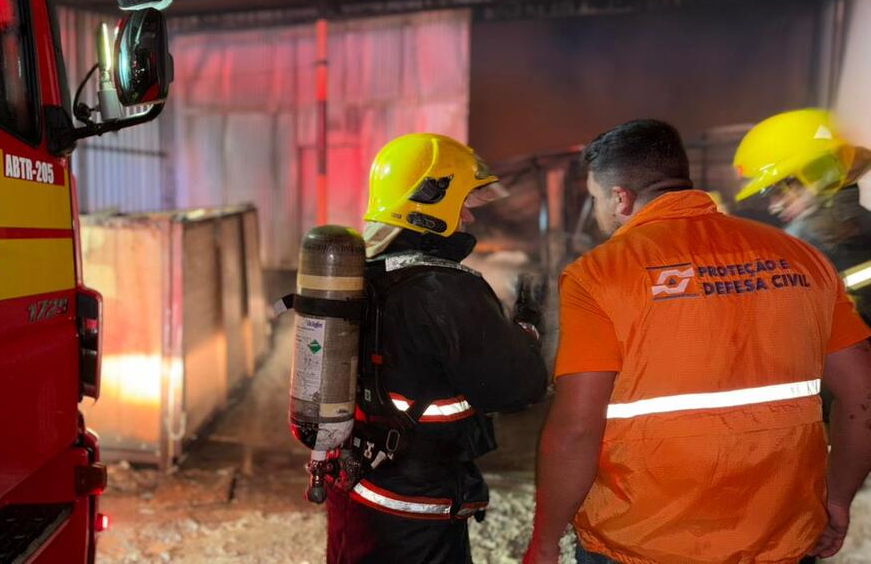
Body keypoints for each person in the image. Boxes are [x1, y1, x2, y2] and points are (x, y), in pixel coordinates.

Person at [523, 119, 871, 564]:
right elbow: (863, 395)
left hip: (641, 543)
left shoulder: (599, 275)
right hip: (782, 538)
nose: (597, 212)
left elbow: (575, 430)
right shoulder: (803, 258)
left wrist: (546, 540)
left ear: (620, 198)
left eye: (594, 199)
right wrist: (837, 498)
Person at [326, 133, 549, 564]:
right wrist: (528, 327)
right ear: (431, 200)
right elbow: (519, 386)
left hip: (356, 493)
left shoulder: (363, 272)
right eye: (464, 201)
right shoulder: (446, 288)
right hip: (416, 516)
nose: (469, 216)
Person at [735, 109, 871, 423]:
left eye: (778, 189)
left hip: (836, 419)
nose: (774, 205)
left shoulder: (802, 250)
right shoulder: (862, 225)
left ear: (818, 173)